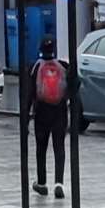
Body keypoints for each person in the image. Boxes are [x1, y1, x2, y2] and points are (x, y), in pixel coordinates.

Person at [24, 35, 74, 198]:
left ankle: (42, 182)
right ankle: (59, 183)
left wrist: (25, 120)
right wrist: (67, 100)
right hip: (59, 111)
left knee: (41, 148)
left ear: (40, 49)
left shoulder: (35, 67)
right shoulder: (63, 66)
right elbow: (76, 84)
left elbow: (28, 95)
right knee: (59, 147)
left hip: (42, 112)